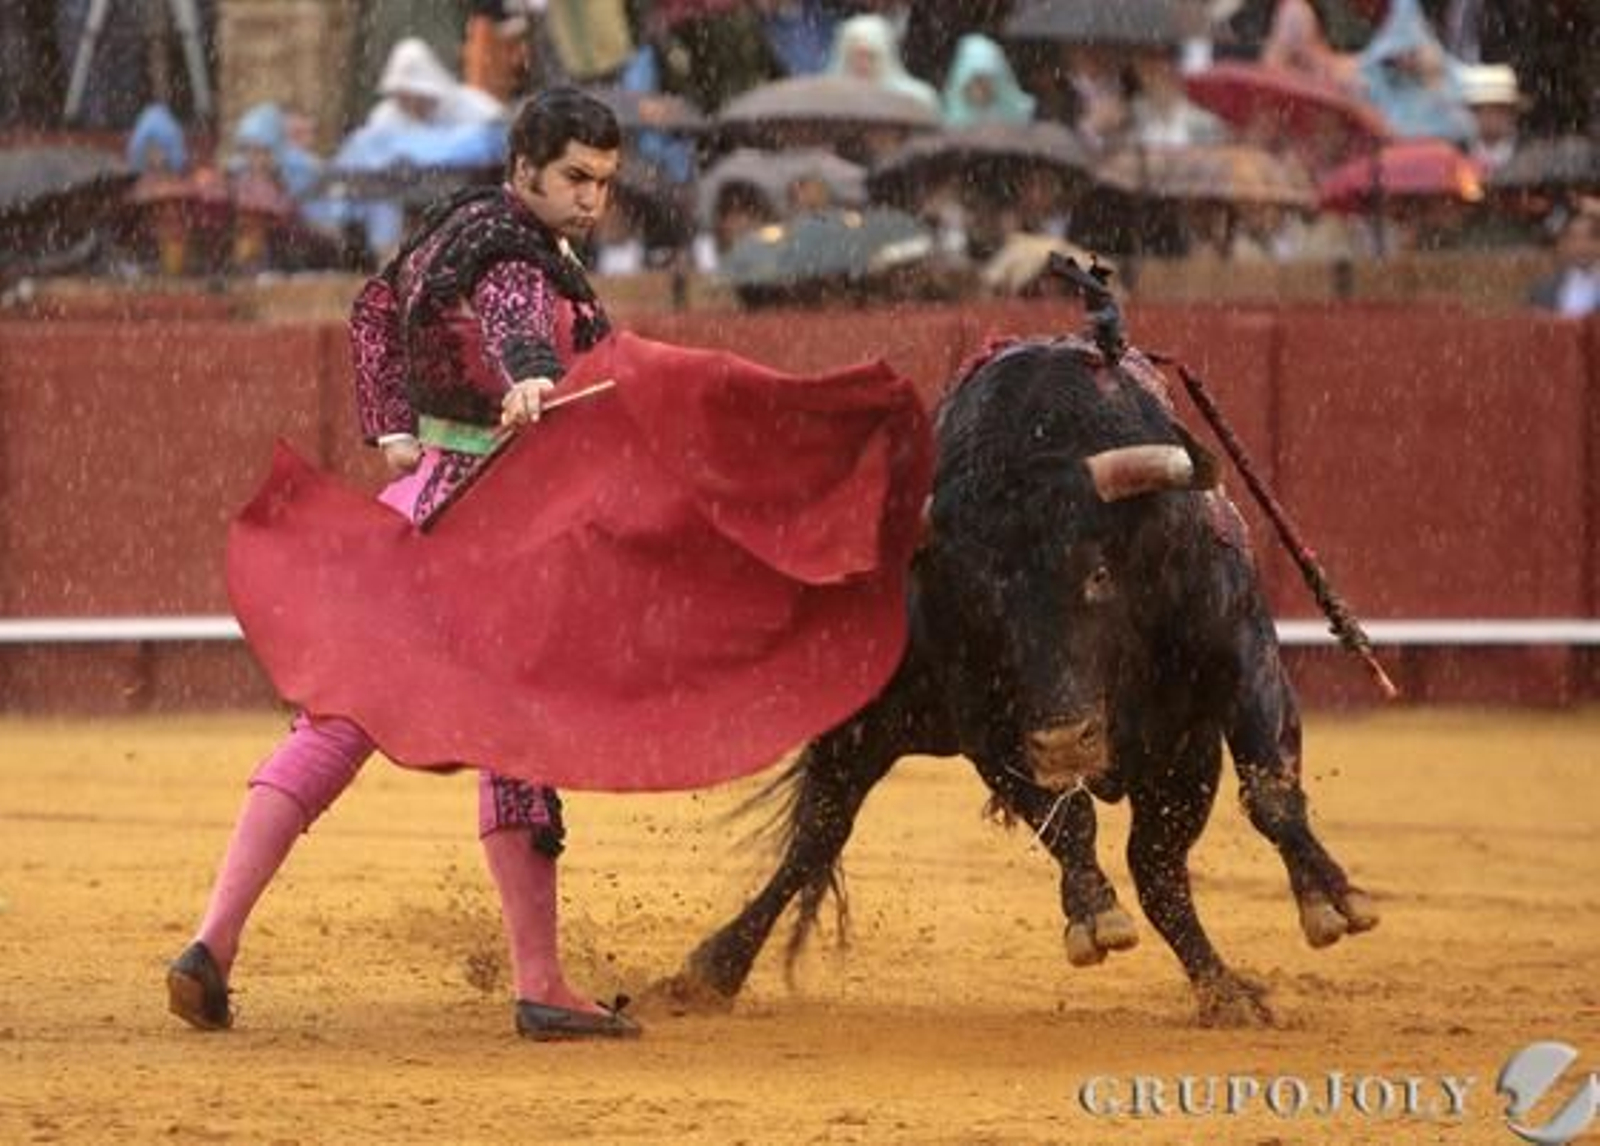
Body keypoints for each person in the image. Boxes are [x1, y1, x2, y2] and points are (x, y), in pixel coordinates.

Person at [166, 87, 640, 1043]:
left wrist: (393, 427)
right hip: (493, 529)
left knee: (336, 723)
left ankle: (211, 942)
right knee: (516, 743)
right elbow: (512, 323)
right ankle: (542, 982)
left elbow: (373, 306)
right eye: (574, 179)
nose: (591, 201)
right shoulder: (514, 253)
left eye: (604, 182)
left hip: (414, 509)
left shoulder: (451, 230)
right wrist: (528, 377)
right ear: (524, 172)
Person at [1528, 198, 1600, 318]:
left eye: (1591, 237)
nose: (1582, 245)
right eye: (1573, 238)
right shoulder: (1543, 290)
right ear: (1562, 244)